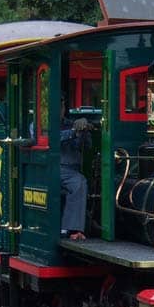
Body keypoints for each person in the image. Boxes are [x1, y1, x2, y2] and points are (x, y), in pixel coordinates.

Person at [60, 102, 92, 241]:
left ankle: (77, 229)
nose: (59, 110)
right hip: (55, 167)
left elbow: (87, 146)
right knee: (79, 182)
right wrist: (73, 132)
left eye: (61, 106)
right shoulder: (37, 125)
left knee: (79, 180)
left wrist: (83, 132)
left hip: (72, 169)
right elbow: (52, 139)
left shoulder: (70, 123)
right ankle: (71, 228)